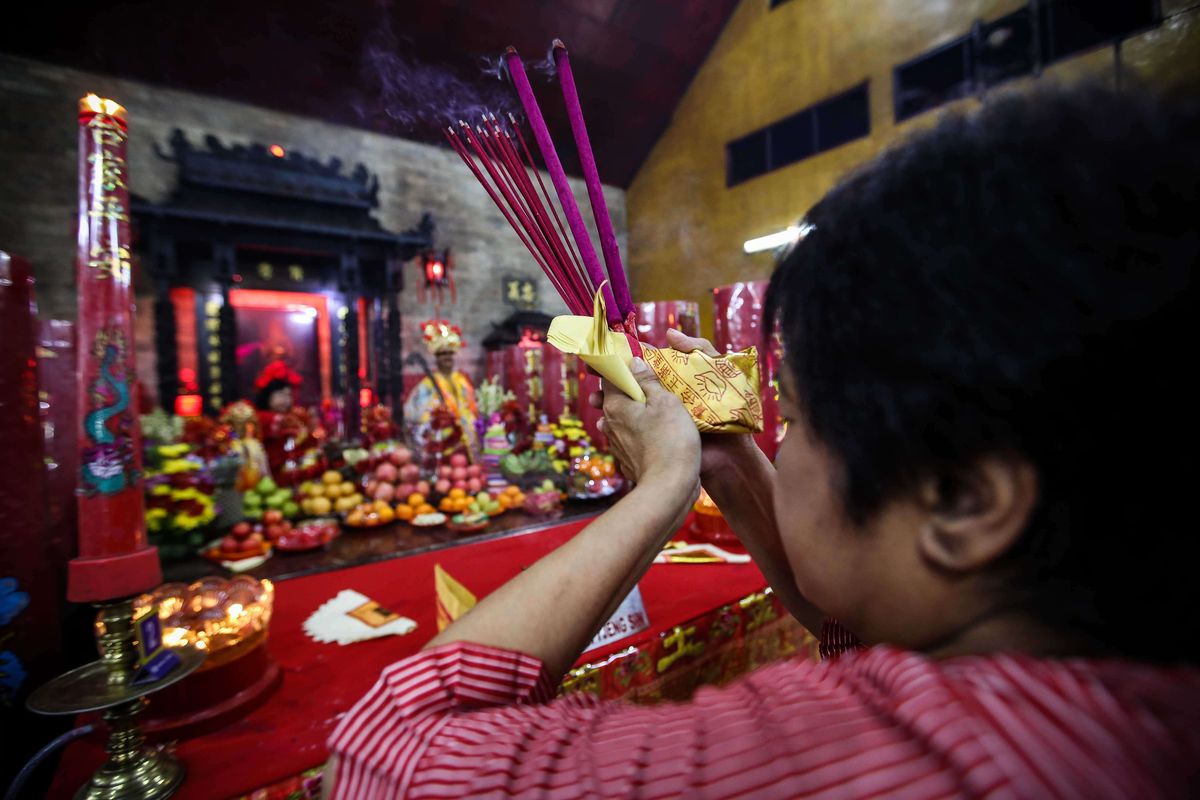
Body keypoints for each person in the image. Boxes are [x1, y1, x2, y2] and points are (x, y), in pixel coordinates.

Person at [324, 86, 1200, 798]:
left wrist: (662, 485)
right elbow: (859, 622)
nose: (788, 437)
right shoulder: (1118, 685)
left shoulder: (906, 756)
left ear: (965, 499)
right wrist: (726, 455)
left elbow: (384, 757)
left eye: (801, 415)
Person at [403, 320, 480, 459]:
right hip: (443, 442)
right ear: (437, 358)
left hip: (467, 442)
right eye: (443, 354)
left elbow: (472, 408)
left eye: (450, 353)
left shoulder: (462, 381)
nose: (448, 357)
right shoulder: (427, 385)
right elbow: (415, 414)